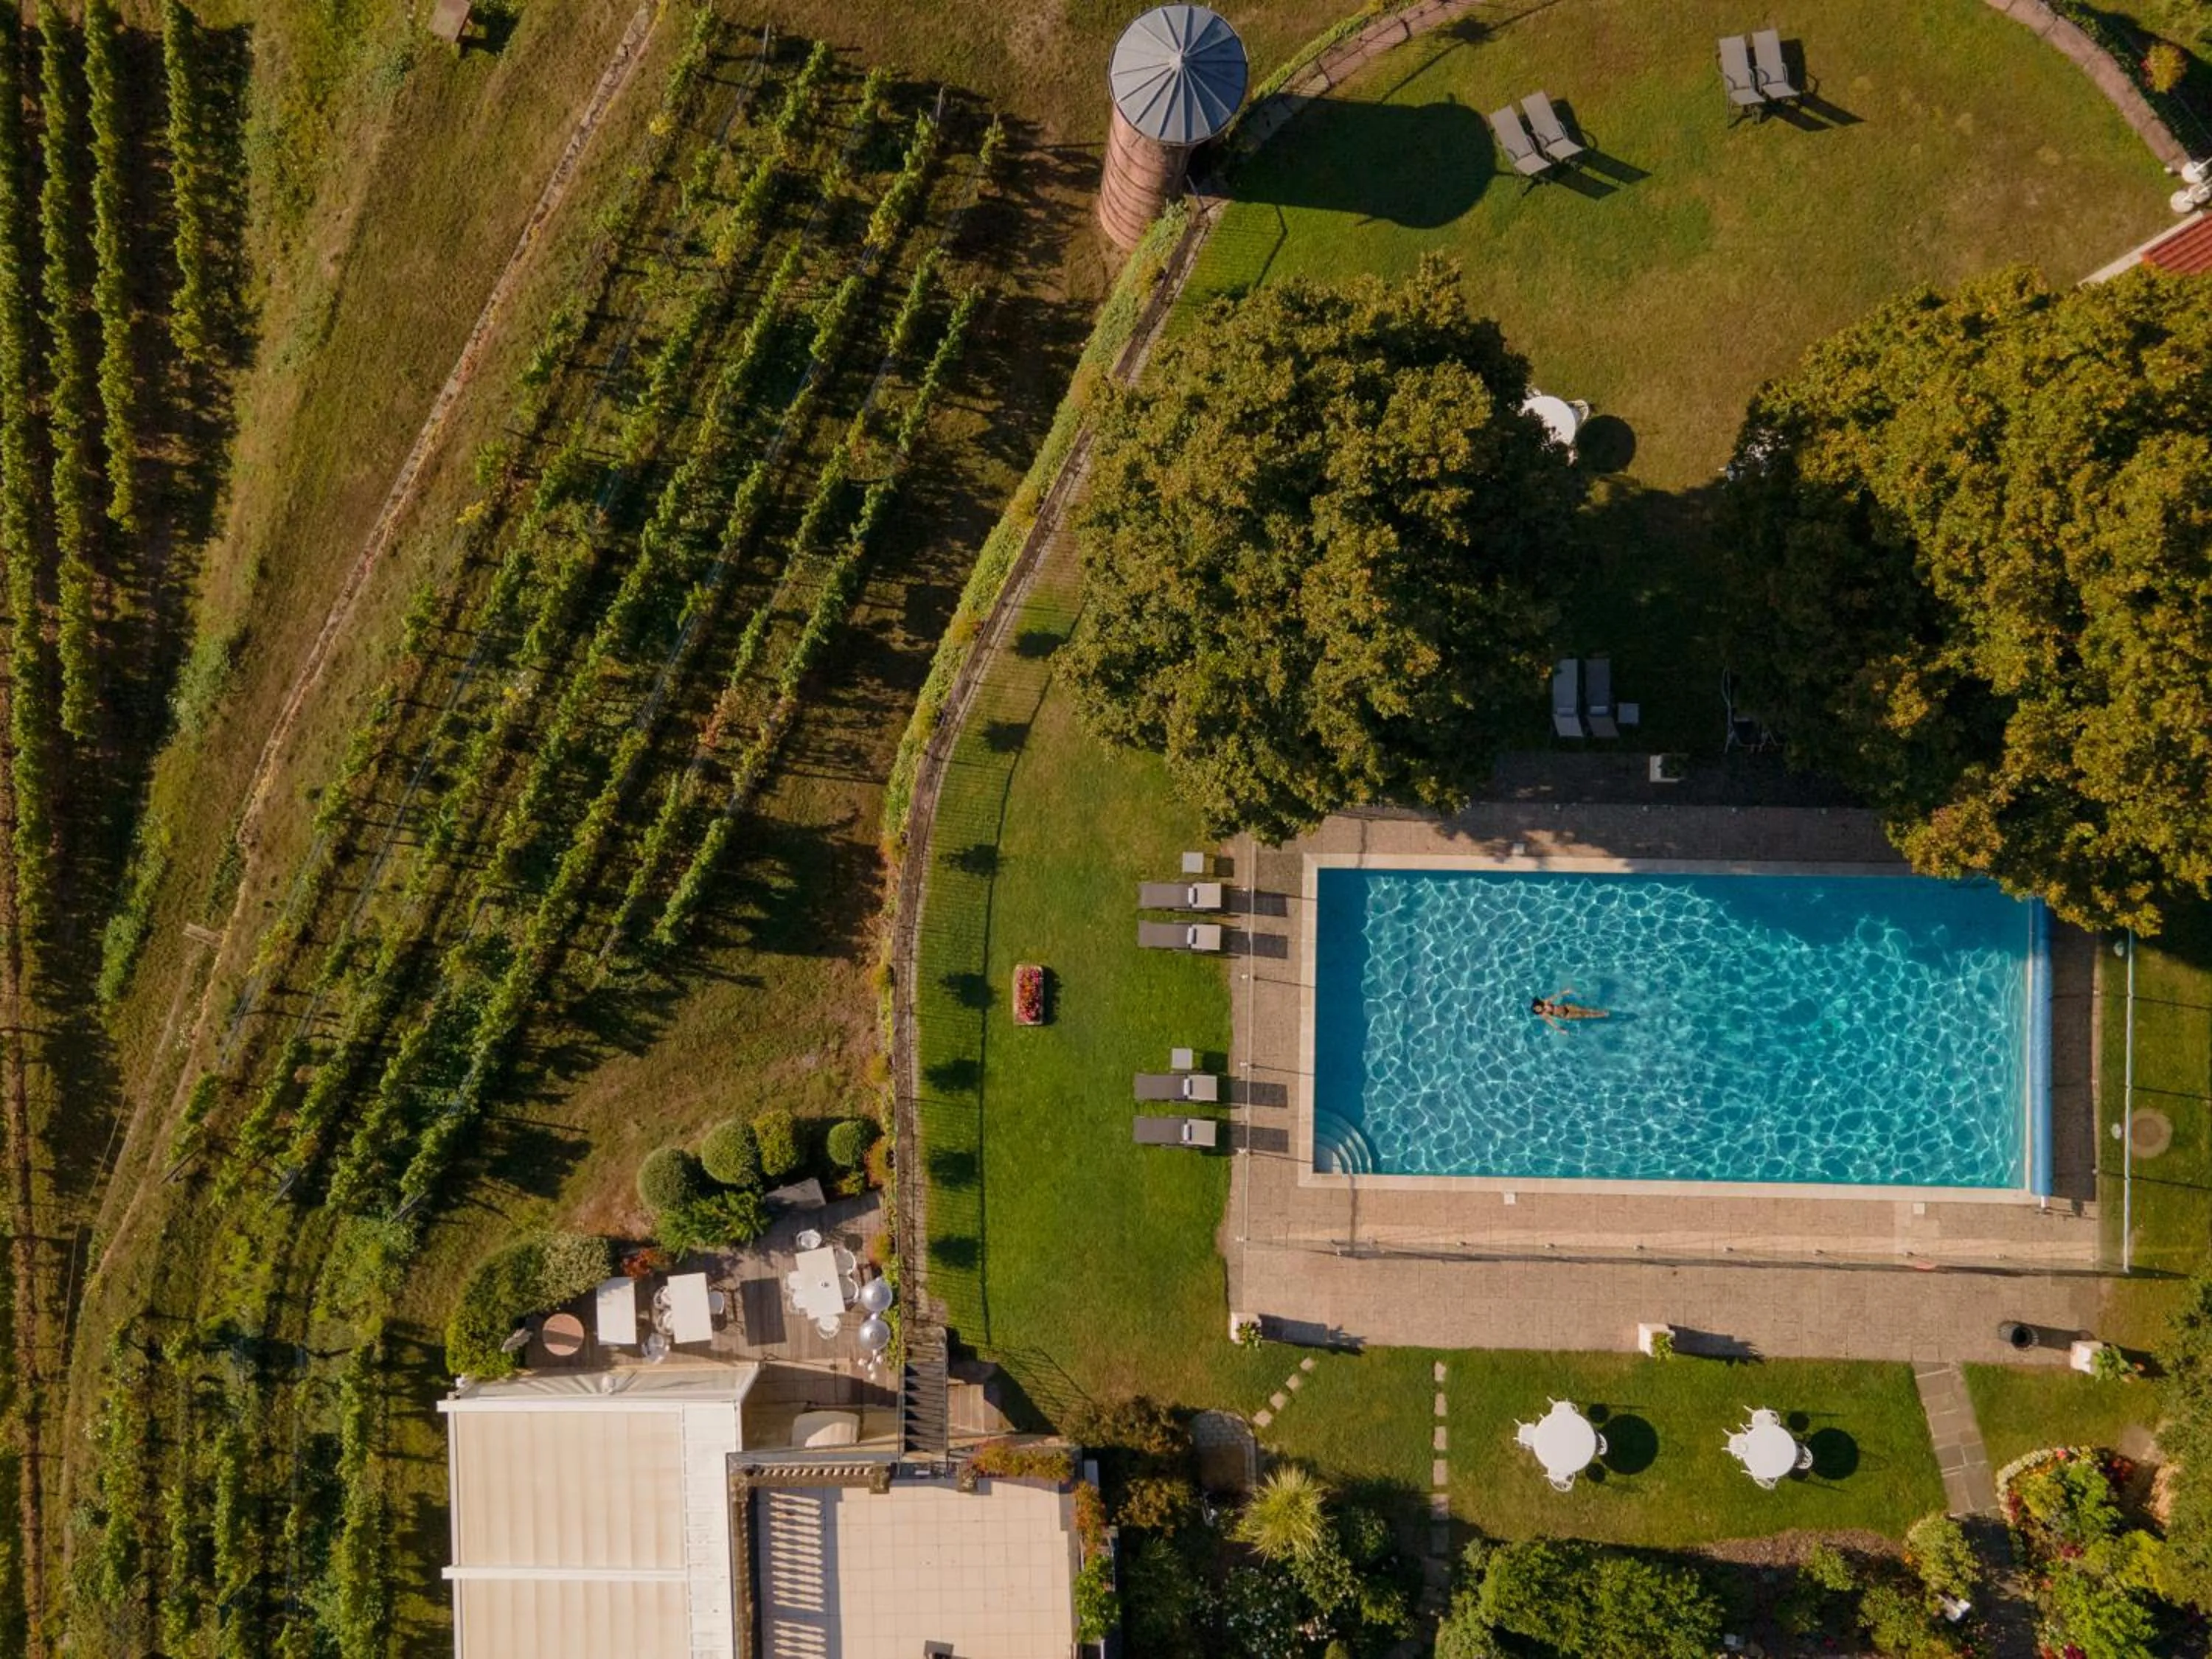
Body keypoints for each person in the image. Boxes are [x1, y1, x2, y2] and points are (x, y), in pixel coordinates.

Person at [1531, 990, 1609, 1029]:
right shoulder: (1544, 1015)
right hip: (1566, 1015)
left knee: (1584, 1010)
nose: (1538, 1009)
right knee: (1585, 1015)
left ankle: (1601, 1012)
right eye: (1537, 1010)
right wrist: (1560, 1029)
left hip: (1567, 1007)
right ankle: (1602, 1015)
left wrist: (1565, 992)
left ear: (1539, 1005)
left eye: (1537, 1007)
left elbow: (1556, 996)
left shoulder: (1546, 1002)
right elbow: (1551, 1022)